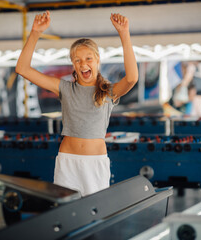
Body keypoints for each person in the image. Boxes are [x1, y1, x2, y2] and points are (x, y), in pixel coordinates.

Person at [16, 11, 138, 196]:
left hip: (95, 164)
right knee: (66, 215)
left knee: (96, 215)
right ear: (73, 65)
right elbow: (22, 68)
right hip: (67, 163)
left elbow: (132, 77)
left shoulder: (108, 92)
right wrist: (35, 32)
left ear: (97, 60)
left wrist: (124, 33)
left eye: (88, 58)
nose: (83, 64)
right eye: (77, 60)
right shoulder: (64, 88)